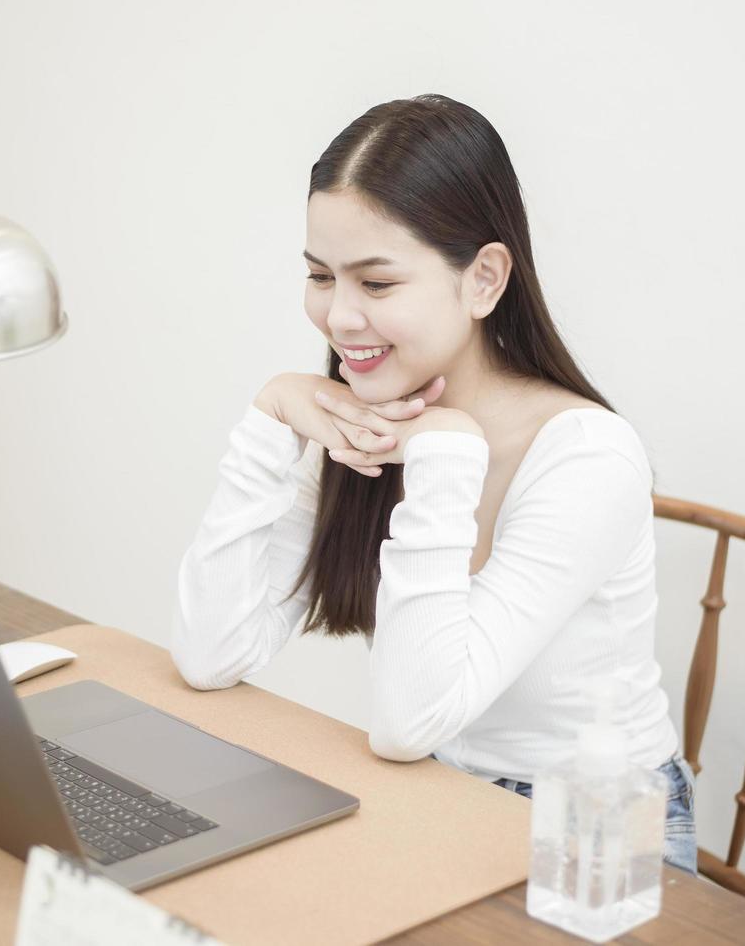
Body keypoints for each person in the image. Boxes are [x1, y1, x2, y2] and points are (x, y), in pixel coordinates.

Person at [171, 94, 696, 873]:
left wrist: (446, 453)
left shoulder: (588, 457)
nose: (339, 318)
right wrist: (267, 425)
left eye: (376, 284)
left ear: (483, 279)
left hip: (593, 819)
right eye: (319, 276)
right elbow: (212, 655)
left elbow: (409, 721)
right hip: (435, 793)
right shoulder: (369, 421)